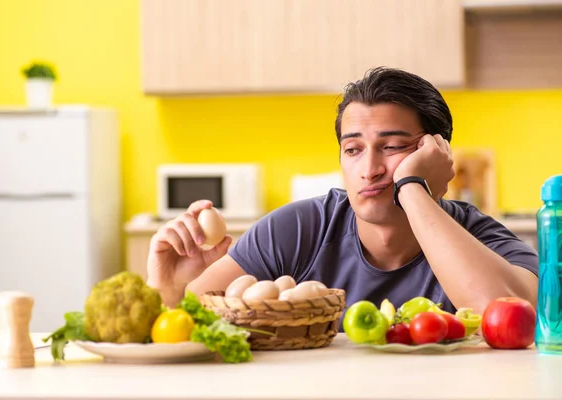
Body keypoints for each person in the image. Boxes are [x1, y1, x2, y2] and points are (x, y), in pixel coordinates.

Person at [146, 67, 538, 319]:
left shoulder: (482, 239)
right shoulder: (298, 229)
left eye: (392, 146)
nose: (369, 169)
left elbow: (514, 318)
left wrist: (415, 190)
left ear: (436, 154)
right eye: (353, 150)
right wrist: (167, 290)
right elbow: (183, 324)